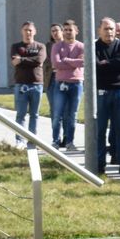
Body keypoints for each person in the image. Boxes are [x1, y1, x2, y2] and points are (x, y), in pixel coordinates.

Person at [94, 18, 120, 173]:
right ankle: (99, 163)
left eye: (111, 29)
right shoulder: (94, 46)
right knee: (100, 129)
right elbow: (95, 65)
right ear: (99, 30)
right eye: (106, 28)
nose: (109, 31)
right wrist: (113, 64)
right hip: (101, 92)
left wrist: (107, 63)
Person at [49, 20, 85, 150]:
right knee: (57, 113)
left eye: (70, 30)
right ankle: (55, 141)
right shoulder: (57, 46)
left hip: (76, 84)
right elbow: (56, 64)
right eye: (65, 30)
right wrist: (73, 63)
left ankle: (70, 141)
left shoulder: (81, 46)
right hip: (60, 84)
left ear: (76, 31)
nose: (68, 32)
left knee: (72, 114)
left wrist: (66, 60)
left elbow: (83, 63)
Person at [9, 22, 45, 146]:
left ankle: (32, 140)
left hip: (37, 84)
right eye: (25, 30)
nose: (28, 32)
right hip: (21, 85)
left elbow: (39, 60)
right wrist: (31, 60)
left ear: (34, 32)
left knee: (34, 114)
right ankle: (20, 141)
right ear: (22, 31)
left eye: (30, 30)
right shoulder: (16, 47)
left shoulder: (40, 46)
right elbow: (14, 62)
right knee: (21, 115)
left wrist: (22, 60)